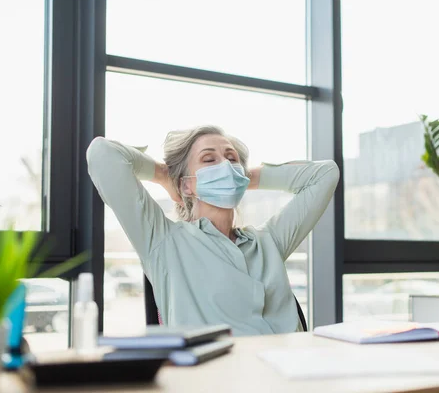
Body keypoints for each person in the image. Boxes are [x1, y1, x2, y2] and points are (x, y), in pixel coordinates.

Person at [87, 125, 339, 336]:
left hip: (292, 374)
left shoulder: (268, 241)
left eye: (232, 160)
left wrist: (245, 177)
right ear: (186, 186)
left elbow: (325, 174)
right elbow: (103, 154)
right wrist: (165, 175)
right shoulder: (164, 242)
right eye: (209, 160)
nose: (225, 167)